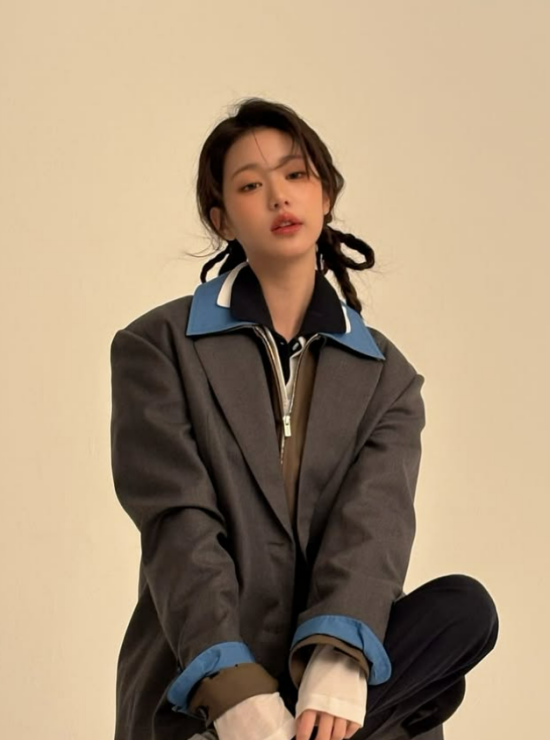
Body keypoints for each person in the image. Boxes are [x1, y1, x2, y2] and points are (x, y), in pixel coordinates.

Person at [109, 98, 499, 740]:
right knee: (426, 690)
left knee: (466, 609)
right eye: (250, 186)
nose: (279, 196)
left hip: (329, 698)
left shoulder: (388, 379)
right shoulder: (159, 347)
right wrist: (235, 692)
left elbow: (372, 530)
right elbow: (179, 525)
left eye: (295, 175)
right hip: (202, 684)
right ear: (222, 219)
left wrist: (335, 665)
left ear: (326, 193)